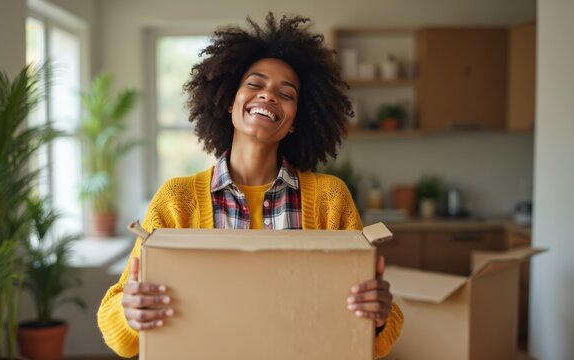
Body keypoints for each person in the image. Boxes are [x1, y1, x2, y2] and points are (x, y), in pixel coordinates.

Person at [97, 13, 403, 358]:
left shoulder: (330, 199)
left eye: (286, 93)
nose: (269, 95)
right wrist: (130, 310)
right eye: (255, 85)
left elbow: (378, 338)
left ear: (293, 123)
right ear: (230, 101)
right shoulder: (176, 200)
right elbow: (121, 339)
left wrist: (377, 315)